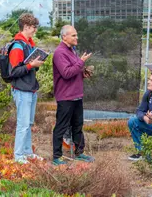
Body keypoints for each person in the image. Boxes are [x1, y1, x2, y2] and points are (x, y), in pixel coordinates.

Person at [52, 25, 95, 165]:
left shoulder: (72, 51)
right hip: (65, 96)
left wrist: (83, 73)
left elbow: (74, 71)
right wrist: (81, 61)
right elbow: (66, 73)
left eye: (76, 35)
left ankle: (79, 153)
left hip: (77, 95)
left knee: (78, 125)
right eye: (73, 35)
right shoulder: (59, 53)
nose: (77, 38)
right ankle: (57, 156)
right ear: (64, 37)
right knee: (62, 126)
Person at [9, 13, 45, 164]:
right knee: (23, 124)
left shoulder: (29, 44)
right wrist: (31, 65)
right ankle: (18, 156)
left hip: (30, 89)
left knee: (28, 123)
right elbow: (14, 71)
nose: (35, 30)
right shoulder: (17, 46)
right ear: (26, 27)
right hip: (21, 90)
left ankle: (27, 152)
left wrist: (34, 65)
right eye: (33, 28)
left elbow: (27, 68)